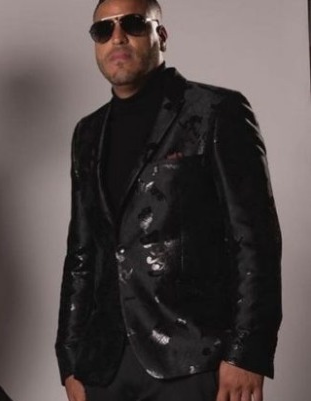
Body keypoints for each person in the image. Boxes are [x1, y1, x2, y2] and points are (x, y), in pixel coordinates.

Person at [55, 1, 282, 400]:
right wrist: (70, 359)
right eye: (103, 30)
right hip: (104, 365)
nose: (117, 38)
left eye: (132, 24)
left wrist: (247, 352)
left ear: (160, 35)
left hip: (193, 358)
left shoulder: (216, 111)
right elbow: (82, 251)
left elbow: (255, 240)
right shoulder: (87, 133)